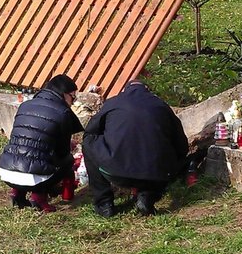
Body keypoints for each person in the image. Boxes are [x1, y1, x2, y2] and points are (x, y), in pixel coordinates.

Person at [81, 79, 189, 217]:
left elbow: (90, 132)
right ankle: (148, 195)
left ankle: (104, 204)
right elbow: (181, 144)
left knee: (89, 142)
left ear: (125, 90)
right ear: (147, 90)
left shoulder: (113, 103)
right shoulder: (162, 106)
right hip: (157, 176)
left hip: (115, 172)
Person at [0, 74, 83, 212]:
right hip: (34, 178)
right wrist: (69, 145)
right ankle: (39, 197)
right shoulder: (63, 112)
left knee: (28, 154)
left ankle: (16, 192)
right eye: (73, 97)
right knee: (67, 161)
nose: (73, 101)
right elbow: (62, 153)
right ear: (64, 94)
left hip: (6, 170)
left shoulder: (25, 105)